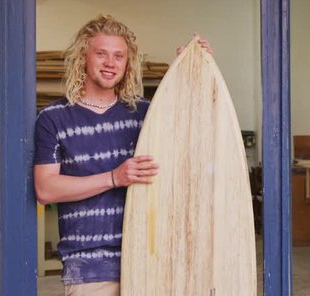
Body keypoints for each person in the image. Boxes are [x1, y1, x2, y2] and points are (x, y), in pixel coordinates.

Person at [34, 15, 210, 295]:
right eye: (101, 53)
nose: (110, 63)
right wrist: (114, 177)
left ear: (128, 63)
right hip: (90, 268)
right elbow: (45, 189)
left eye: (119, 56)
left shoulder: (144, 113)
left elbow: (190, 134)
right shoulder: (53, 118)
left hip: (150, 259)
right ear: (83, 57)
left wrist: (190, 70)